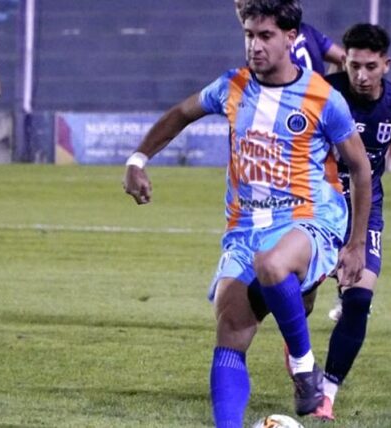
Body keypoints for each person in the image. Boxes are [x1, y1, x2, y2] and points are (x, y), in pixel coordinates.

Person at [122, 1, 371, 425]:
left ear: (291, 38)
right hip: (244, 229)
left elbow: (360, 168)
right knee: (229, 332)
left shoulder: (323, 97)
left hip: (308, 218)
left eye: (265, 36)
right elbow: (180, 114)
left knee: (272, 265)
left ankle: (305, 367)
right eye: (249, 35)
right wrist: (137, 159)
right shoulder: (231, 86)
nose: (255, 45)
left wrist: (357, 244)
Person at [312, 23, 391, 421]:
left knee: (360, 300)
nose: (362, 76)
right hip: (314, 205)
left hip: (366, 210)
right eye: (354, 66)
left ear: (386, 64)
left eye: (370, 66)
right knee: (295, 297)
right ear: (344, 63)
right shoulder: (322, 92)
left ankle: (326, 395)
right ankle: (299, 363)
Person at [233, 0, 346, 75]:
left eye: (247, 4)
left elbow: (344, 58)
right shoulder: (307, 31)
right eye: (238, 6)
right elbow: (344, 58)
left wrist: (327, 91)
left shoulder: (274, 51)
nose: (244, 12)